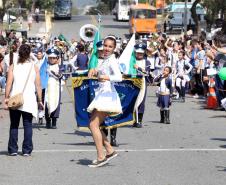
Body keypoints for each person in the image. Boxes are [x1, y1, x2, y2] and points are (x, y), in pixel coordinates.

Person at [87, 36, 122, 167]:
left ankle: (101, 156)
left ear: (114, 48)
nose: (107, 49)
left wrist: (104, 76)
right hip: (102, 94)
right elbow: (99, 74)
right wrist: (94, 71)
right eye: (105, 46)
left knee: (93, 125)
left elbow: (119, 77)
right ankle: (109, 150)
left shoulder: (112, 60)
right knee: (93, 124)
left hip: (107, 96)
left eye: (110, 47)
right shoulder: (104, 60)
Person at [4, 44, 43, 156]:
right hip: (29, 100)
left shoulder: (13, 66)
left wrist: (6, 98)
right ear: (29, 53)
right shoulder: (34, 66)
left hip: (15, 99)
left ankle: (13, 149)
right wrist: (39, 100)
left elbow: (9, 83)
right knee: (27, 125)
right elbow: (38, 85)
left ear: (19, 53)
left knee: (14, 124)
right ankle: (26, 150)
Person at [133, 43, 151, 128]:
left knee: (141, 101)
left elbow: (146, 73)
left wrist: (138, 68)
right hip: (132, 82)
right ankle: (133, 120)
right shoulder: (132, 60)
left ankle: (139, 120)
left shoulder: (147, 61)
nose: (139, 54)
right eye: (137, 52)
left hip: (142, 82)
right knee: (132, 100)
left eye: (141, 53)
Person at [45, 48, 62, 129]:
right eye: (50, 58)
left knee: (55, 103)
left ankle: (54, 121)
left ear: (57, 58)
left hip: (55, 88)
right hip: (46, 88)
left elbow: (60, 76)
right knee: (46, 104)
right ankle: (48, 121)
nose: (52, 59)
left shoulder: (59, 66)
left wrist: (52, 73)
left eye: (54, 58)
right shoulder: (45, 66)